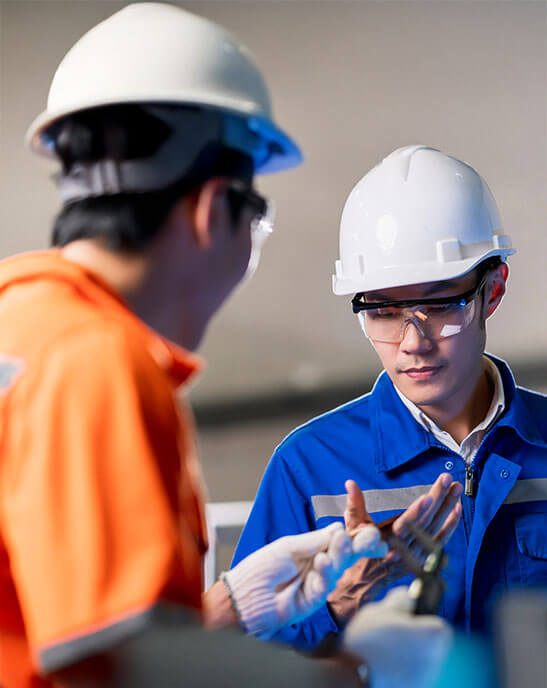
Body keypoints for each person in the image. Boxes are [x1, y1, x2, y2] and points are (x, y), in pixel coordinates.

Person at [0, 6, 452, 688]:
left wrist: (232, 604)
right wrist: (356, 672)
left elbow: (47, 623)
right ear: (214, 210)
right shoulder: (94, 359)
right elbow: (115, 665)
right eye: (256, 222)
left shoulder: (22, 325)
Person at [232, 144, 547, 649]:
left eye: (440, 306)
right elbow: (246, 662)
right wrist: (336, 608)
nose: (412, 343)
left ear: (493, 290)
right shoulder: (308, 468)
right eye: (382, 313)